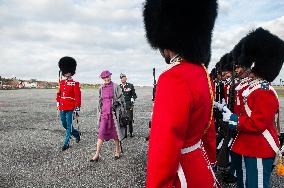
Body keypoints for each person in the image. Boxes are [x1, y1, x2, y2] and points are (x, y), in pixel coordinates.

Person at [143, 0, 219, 187]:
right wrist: (211, 160)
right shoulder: (203, 74)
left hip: (182, 174)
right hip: (201, 166)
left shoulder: (172, 78)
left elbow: (164, 147)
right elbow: (209, 129)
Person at [222, 27, 284, 188]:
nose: (240, 69)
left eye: (245, 65)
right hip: (247, 144)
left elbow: (257, 123)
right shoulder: (254, 88)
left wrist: (233, 119)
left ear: (255, 65)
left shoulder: (264, 91)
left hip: (259, 147)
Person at [90, 70, 126, 162]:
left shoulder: (115, 86)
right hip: (104, 115)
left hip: (113, 115)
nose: (107, 79)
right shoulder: (101, 88)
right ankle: (97, 154)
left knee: (116, 134)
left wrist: (116, 103)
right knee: (101, 133)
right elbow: (100, 102)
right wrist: (100, 113)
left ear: (110, 76)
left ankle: (117, 150)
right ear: (102, 79)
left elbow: (122, 99)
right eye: (105, 77)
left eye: (108, 76)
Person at [56, 56, 81, 151]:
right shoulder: (61, 83)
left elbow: (77, 96)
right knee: (64, 124)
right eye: (65, 71)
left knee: (69, 125)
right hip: (62, 106)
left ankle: (66, 143)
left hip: (70, 107)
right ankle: (76, 134)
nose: (67, 73)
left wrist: (77, 107)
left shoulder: (75, 83)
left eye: (68, 71)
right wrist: (58, 104)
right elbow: (59, 94)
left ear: (71, 72)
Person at [119, 73, 137, 138]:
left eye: (124, 77)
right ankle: (124, 134)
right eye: (121, 78)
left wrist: (132, 99)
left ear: (126, 78)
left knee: (130, 119)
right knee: (123, 120)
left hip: (129, 105)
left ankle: (131, 132)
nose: (122, 79)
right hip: (121, 106)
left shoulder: (130, 86)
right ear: (120, 79)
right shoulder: (119, 87)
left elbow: (134, 95)